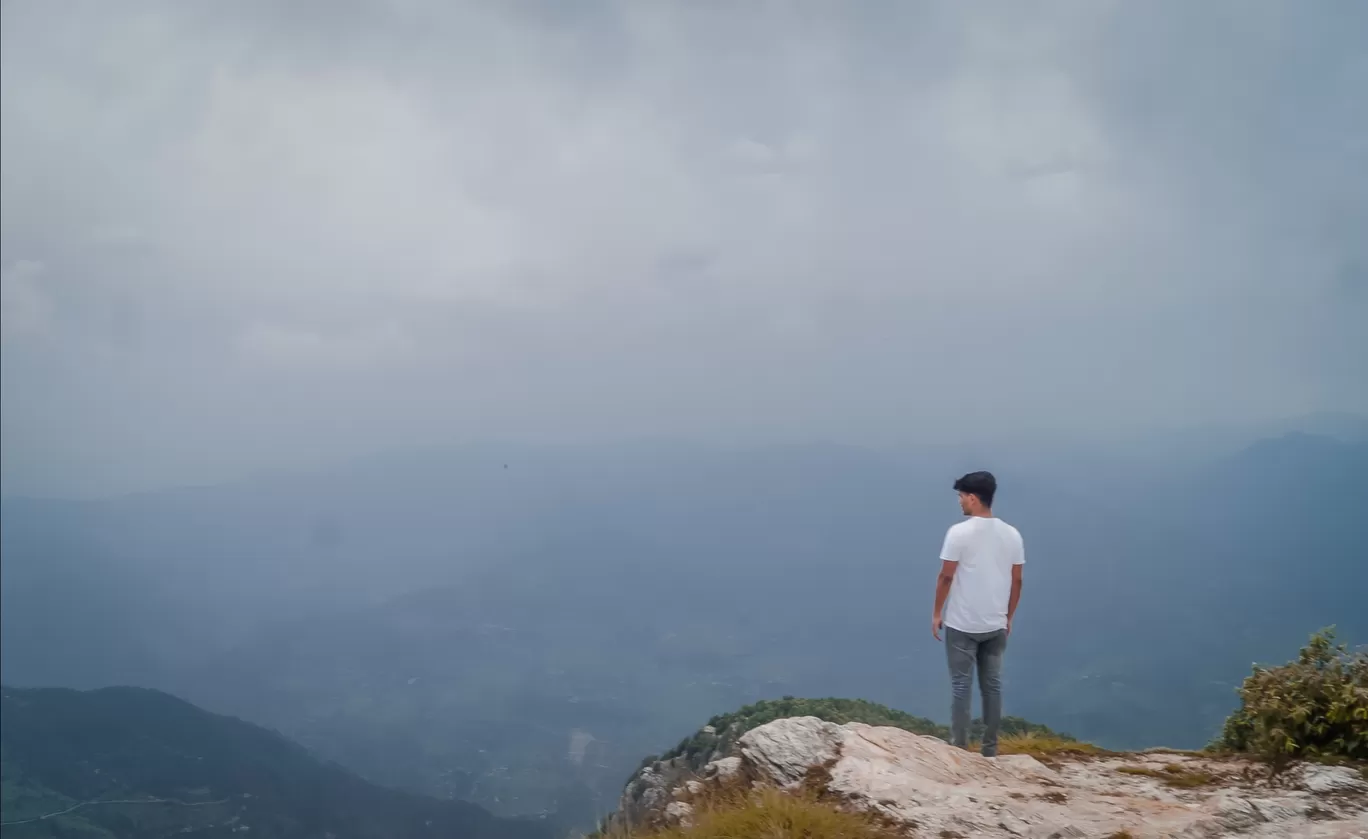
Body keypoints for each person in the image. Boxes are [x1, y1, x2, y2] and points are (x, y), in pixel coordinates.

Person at [930, 471, 1024, 757]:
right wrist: (1008, 617)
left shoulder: (958, 533)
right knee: (992, 687)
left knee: (961, 686)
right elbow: (1017, 580)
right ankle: (990, 749)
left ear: (973, 498)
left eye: (961, 497)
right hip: (995, 624)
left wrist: (937, 613)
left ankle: (959, 748)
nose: (959, 502)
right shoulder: (1012, 534)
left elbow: (946, 577)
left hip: (962, 624)